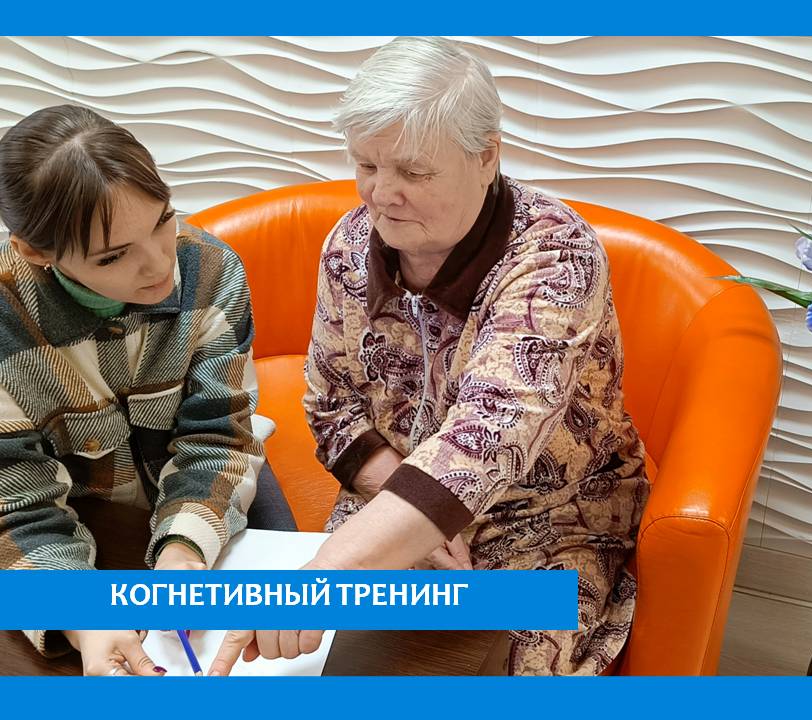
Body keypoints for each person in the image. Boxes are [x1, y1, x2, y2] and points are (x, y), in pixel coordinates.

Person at [212, 36, 648, 676]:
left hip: (549, 524)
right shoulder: (349, 245)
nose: (381, 194)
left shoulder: (556, 258)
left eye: (414, 173)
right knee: (320, 671)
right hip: (390, 504)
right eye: (366, 165)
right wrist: (409, 520)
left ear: (486, 156)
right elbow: (332, 409)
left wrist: (325, 574)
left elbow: (487, 440)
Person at [0, 105, 295, 676]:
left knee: (293, 642)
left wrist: (183, 552)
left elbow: (220, 437)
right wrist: (79, 615)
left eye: (164, 220)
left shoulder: (211, 269)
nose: (161, 265)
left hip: (217, 480)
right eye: (114, 256)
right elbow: (15, 507)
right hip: (74, 520)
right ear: (35, 252)